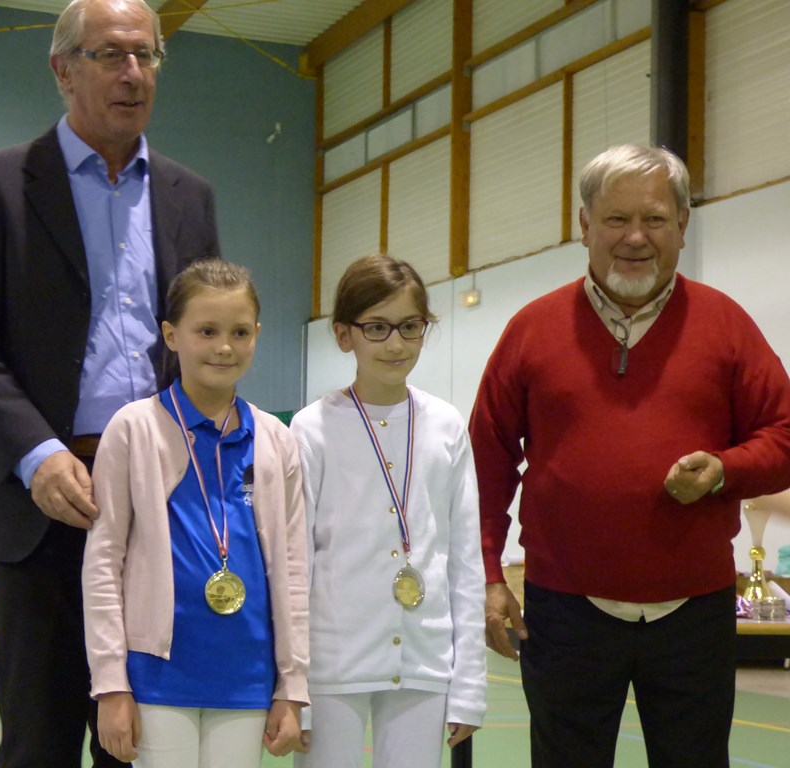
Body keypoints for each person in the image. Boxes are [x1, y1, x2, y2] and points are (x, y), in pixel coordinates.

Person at [0, 1, 220, 765]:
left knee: (143, 743)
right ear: (62, 69)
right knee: (39, 741)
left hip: (159, 504)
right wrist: (38, 455)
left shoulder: (190, 197)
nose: (133, 73)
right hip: (43, 504)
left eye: (147, 56)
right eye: (111, 55)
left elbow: (207, 341)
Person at [469, 144, 790, 767]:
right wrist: (487, 577)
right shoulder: (532, 329)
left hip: (694, 612)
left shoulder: (726, 325)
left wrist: (725, 471)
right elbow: (486, 465)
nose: (635, 237)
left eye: (655, 219)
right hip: (564, 612)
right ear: (584, 225)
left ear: (683, 225)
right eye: (616, 219)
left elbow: (782, 434)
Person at [81, 260, 309, 768]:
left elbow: (293, 570)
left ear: (257, 335)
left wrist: (292, 686)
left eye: (239, 332)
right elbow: (102, 563)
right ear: (171, 335)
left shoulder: (276, 439)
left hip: (247, 676)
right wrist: (111, 683)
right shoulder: (133, 428)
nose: (224, 347)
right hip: (158, 676)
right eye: (207, 331)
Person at [290, 254, 487, 768]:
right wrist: (292, 684)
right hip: (331, 666)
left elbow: (465, 562)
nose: (395, 344)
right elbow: (295, 564)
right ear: (343, 335)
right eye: (376, 328)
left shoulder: (446, 425)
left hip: (424, 661)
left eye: (410, 326)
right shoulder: (311, 429)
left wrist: (468, 685)